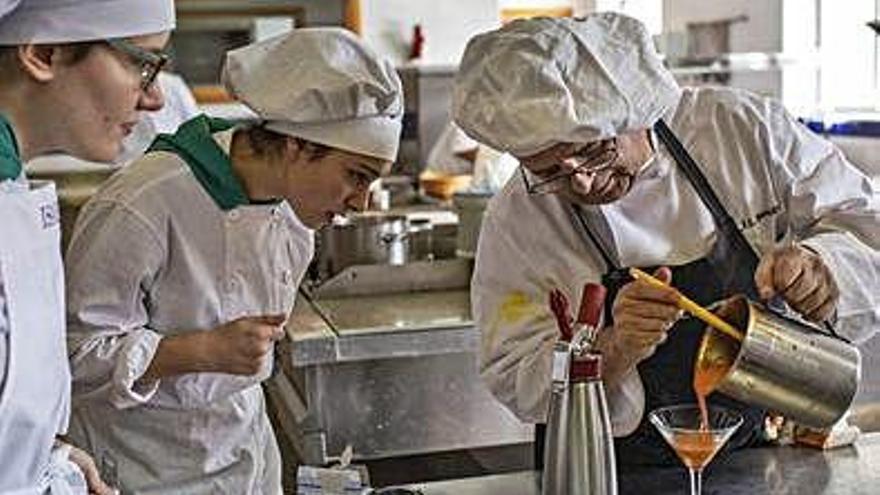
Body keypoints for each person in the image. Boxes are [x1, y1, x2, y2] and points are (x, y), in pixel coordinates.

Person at [452, 13, 879, 467]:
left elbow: (865, 225)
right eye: (549, 171)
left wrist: (823, 264)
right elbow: (512, 369)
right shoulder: (519, 218)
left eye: (596, 150)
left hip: (760, 455)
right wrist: (612, 349)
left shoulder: (741, 131)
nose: (584, 185)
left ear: (637, 107)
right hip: (605, 466)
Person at [64, 28, 403, 493]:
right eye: (356, 176)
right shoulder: (143, 203)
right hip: (144, 470)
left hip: (244, 456)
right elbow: (74, 356)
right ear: (295, 146)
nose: (361, 203)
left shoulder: (295, 215)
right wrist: (199, 351)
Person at [0, 0, 175, 493]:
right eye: (143, 63)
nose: (156, 98)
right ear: (45, 53)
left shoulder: (13, 192)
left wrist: (42, 455)